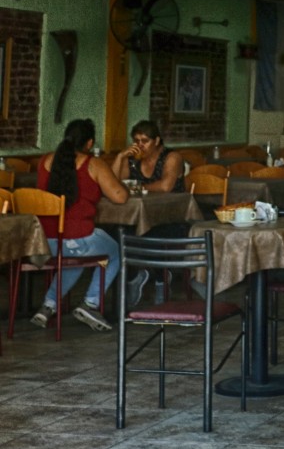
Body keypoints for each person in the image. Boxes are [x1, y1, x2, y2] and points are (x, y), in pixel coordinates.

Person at [32, 118, 138, 331]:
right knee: (115, 251)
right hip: (75, 239)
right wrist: (125, 186)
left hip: (43, 241)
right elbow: (119, 197)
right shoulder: (92, 163)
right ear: (89, 143)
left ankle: (48, 306)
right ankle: (91, 303)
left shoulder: (45, 161)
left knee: (77, 258)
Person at [112, 119, 185, 194]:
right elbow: (113, 186)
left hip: (172, 203)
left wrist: (138, 188)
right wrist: (119, 156)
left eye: (145, 141)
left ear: (156, 141)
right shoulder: (131, 158)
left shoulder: (172, 157)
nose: (140, 145)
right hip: (139, 204)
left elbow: (165, 187)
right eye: (136, 141)